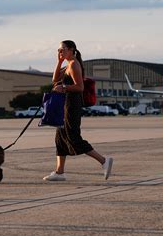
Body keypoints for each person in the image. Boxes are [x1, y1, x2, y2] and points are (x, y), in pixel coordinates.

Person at [43, 40, 113, 181]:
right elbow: (55, 79)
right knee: (60, 138)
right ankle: (59, 172)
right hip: (65, 105)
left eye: (62, 49)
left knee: (73, 137)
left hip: (72, 106)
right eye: (58, 50)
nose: (60, 52)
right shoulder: (68, 64)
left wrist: (63, 88)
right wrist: (59, 62)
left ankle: (104, 161)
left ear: (71, 49)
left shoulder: (74, 64)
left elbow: (80, 87)